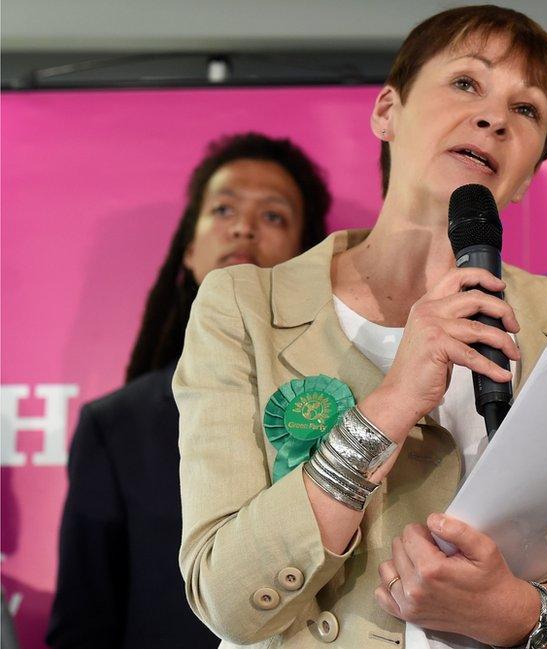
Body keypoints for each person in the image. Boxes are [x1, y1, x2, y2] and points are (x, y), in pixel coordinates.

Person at [174, 6, 547, 649]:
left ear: (530, 175)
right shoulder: (242, 306)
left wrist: (518, 613)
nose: (494, 118)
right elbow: (225, 597)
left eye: (527, 110)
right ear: (386, 112)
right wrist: (394, 401)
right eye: (467, 83)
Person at [47, 132, 331, 649]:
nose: (244, 227)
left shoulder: (343, 404)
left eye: (274, 216)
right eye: (223, 209)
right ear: (191, 248)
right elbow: (84, 625)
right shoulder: (114, 426)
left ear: (304, 256)